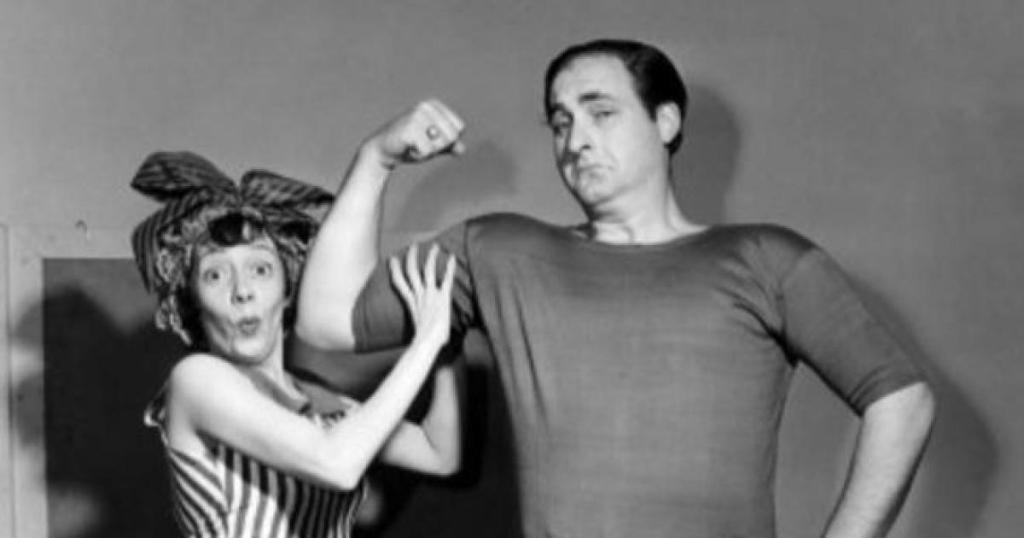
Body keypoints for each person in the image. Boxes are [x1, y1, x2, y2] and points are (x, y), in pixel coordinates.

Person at [295, 39, 936, 537]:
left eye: (601, 113)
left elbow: (902, 402)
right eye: (560, 122)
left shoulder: (766, 259)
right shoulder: (500, 250)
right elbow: (325, 319)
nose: (576, 140)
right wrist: (377, 159)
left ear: (666, 121)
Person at [130, 151, 461, 537]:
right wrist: (426, 341)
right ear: (192, 301)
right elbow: (337, 463)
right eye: (215, 275)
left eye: (260, 269)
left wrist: (450, 330)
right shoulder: (196, 381)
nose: (242, 291)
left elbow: (439, 453)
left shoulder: (317, 402)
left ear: (287, 290)